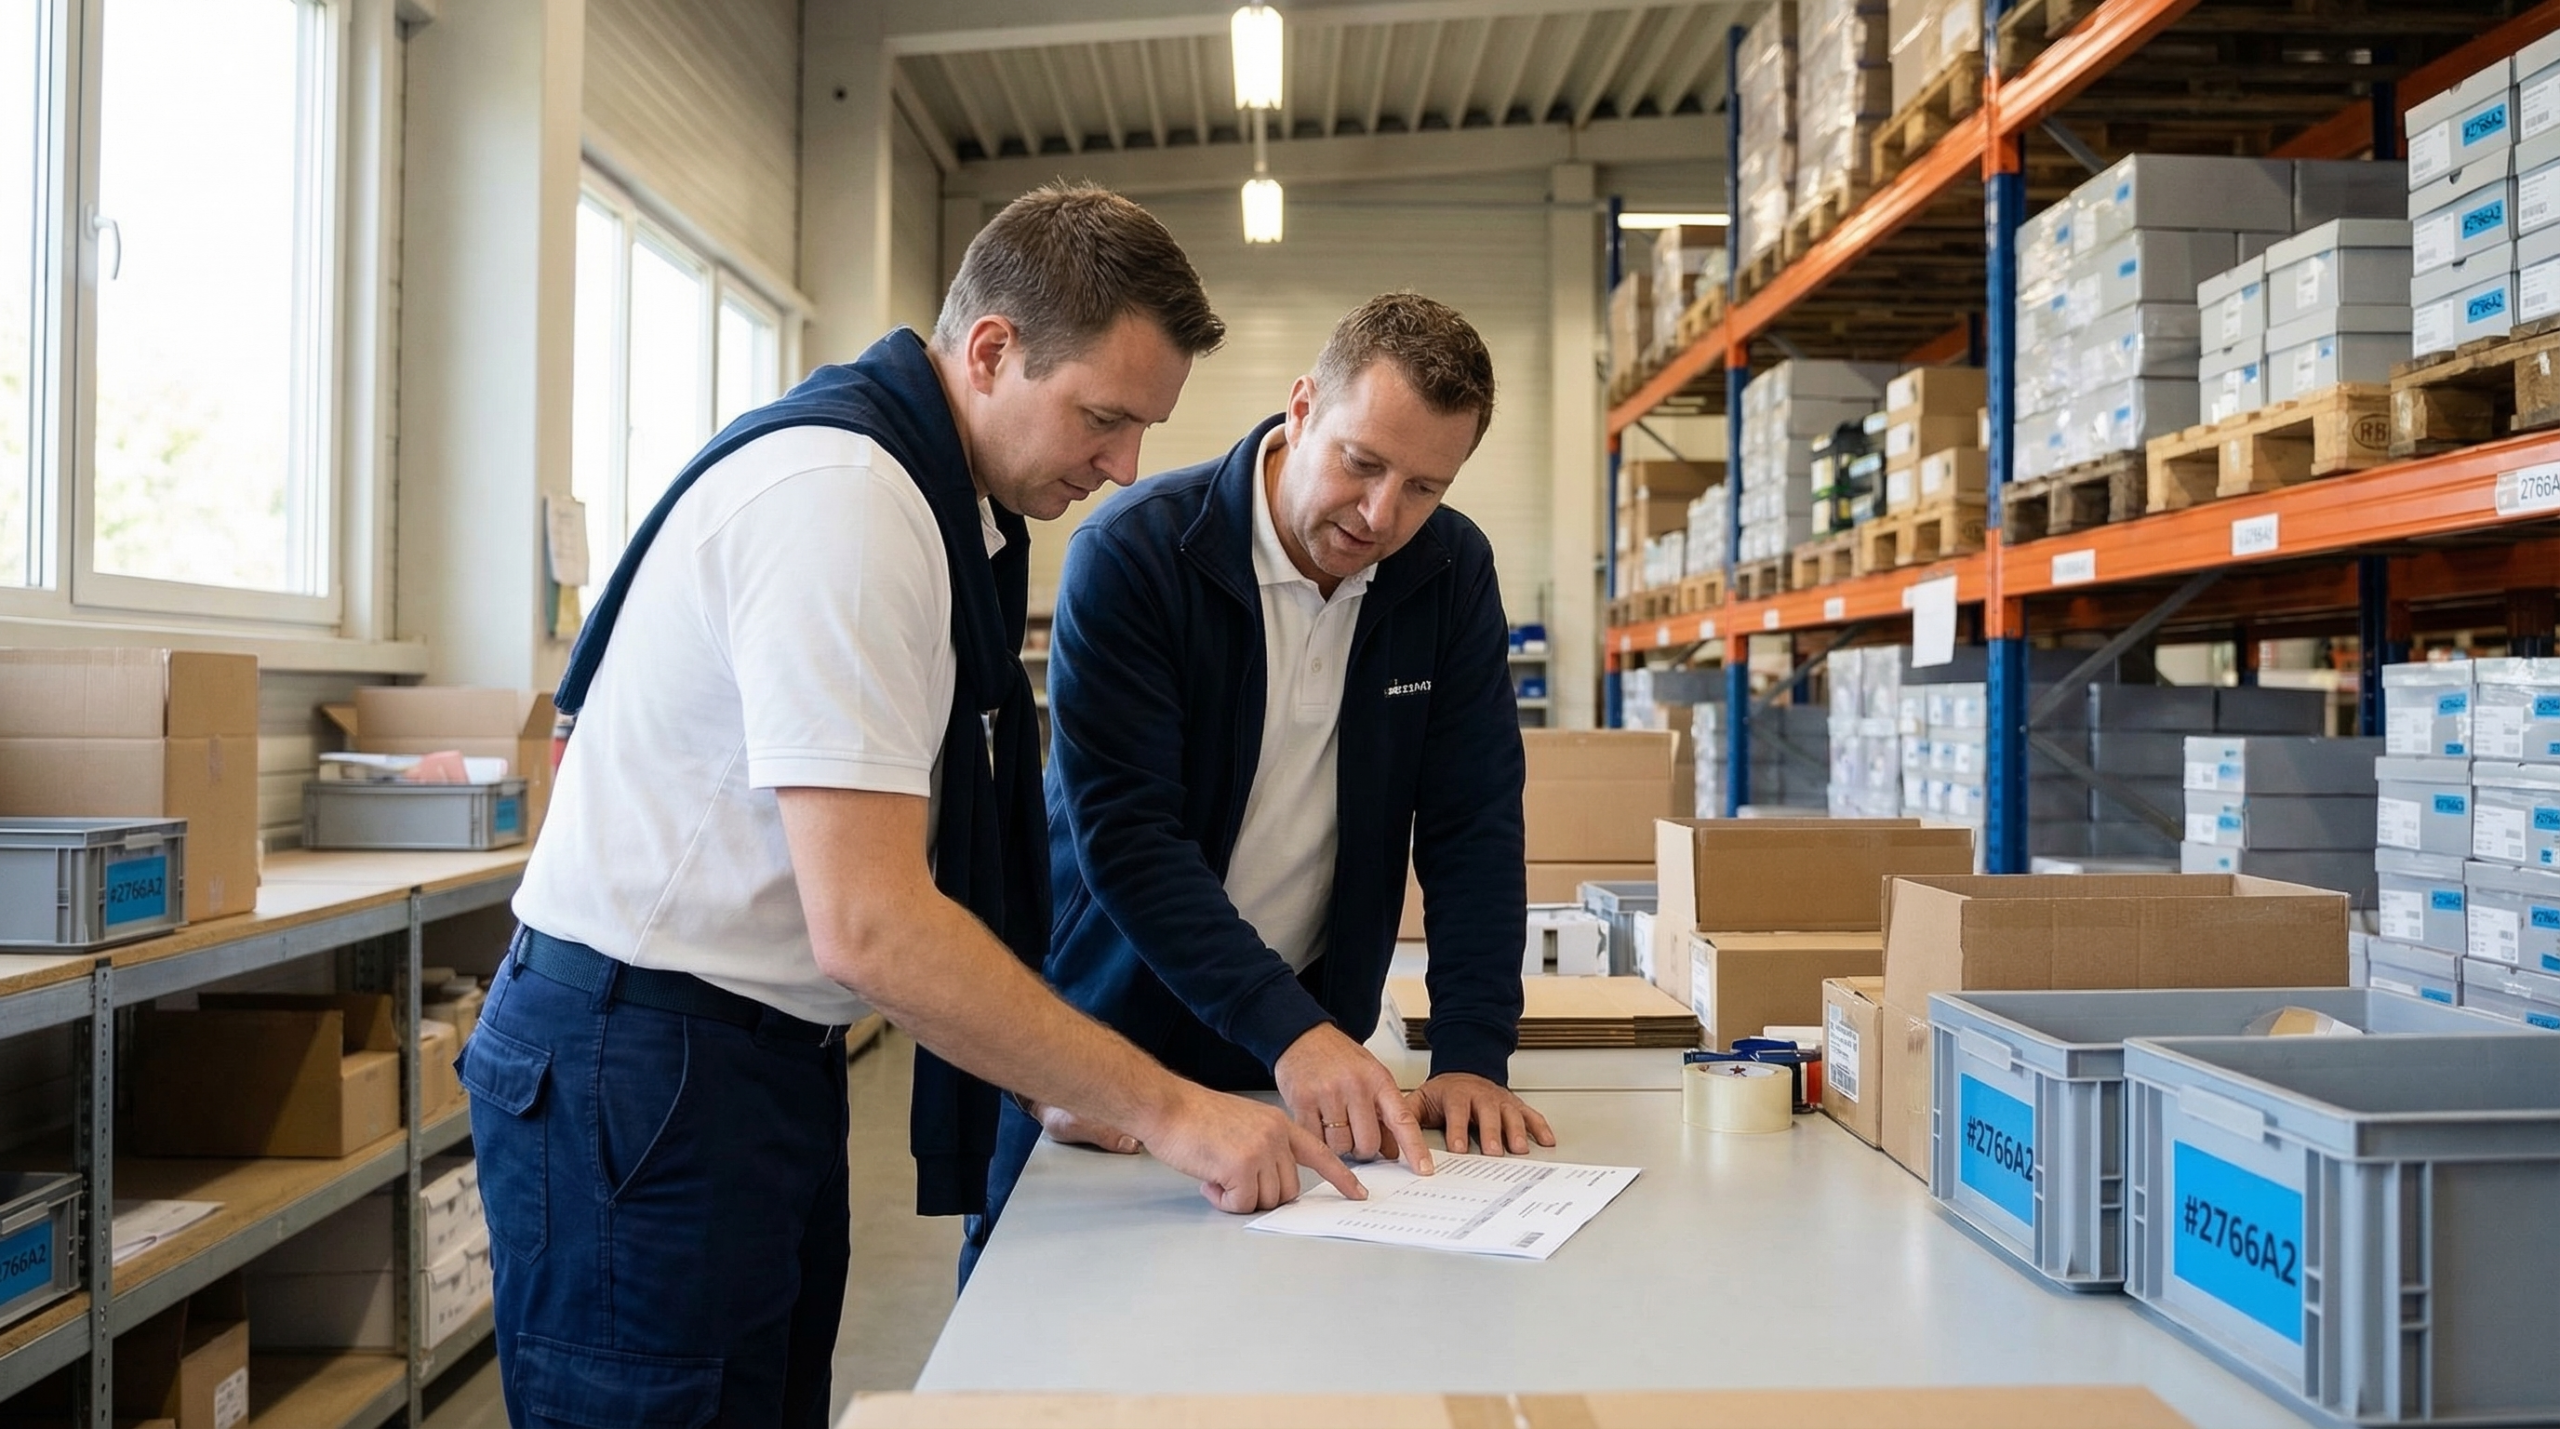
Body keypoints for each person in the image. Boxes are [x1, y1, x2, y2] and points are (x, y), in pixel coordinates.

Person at [466, 184, 1363, 1429]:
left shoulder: (937, 508)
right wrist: (1164, 1105)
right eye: (1104, 419)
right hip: (647, 1063)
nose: (1123, 470)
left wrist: (1065, 1080)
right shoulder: (847, 503)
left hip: (748, 1052)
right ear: (991, 350)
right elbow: (875, 925)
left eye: (1144, 432)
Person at [963, 292, 1552, 1279]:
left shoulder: (1449, 574)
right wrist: (1297, 1031)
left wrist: (1470, 1051)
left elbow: (1473, 821)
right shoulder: (1137, 555)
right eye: (1362, 463)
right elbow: (1129, 837)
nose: (1380, 515)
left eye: (1423, 488)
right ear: (1300, 410)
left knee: (1287, 1338)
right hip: (1106, 1055)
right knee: (1047, 1334)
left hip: (1293, 1063)